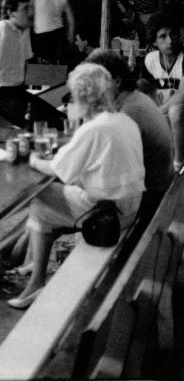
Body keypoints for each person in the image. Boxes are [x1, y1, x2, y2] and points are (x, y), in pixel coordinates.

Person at [8, 63, 144, 309]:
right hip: (131, 206)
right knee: (51, 207)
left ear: (83, 98)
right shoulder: (123, 120)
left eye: (72, 96)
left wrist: (31, 159)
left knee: (41, 197)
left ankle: (34, 278)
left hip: (108, 216)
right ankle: (26, 268)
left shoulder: (93, 129)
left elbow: (57, 169)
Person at [85, 49, 174, 220]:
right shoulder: (135, 99)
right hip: (156, 191)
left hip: (147, 202)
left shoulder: (130, 112)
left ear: (117, 81)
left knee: (50, 205)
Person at [0, 0, 64, 130]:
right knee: (41, 127)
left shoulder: (24, 30)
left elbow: (25, 63)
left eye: (32, 8)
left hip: (17, 91)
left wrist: (25, 96)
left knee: (59, 119)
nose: (31, 13)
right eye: (25, 9)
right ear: (11, 13)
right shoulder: (0, 30)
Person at [141, 12, 183, 108]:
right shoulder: (150, 59)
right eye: (163, 36)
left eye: (173, 34)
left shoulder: (182, 59)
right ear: (154, 42)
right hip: (163, 111)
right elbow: (145, 87)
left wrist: (158, 114)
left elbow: (181, 95)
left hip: (179, 113)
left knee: (176, 112)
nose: (170, 41)